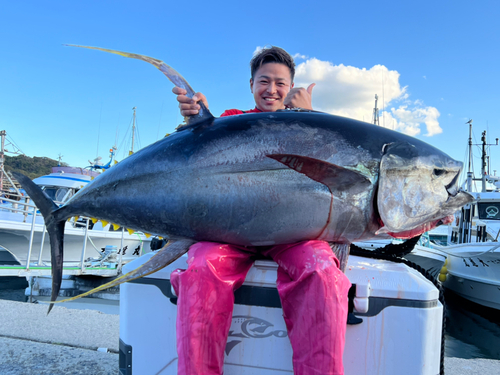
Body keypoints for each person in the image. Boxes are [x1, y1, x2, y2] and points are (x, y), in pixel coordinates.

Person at [170, 46, 351, 375]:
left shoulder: (307, 126)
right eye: (263, 81)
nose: (271, 90)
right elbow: (201, 148)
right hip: (232, 230)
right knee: (201, 266)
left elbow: (332, 164)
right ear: (251, 84)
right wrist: (195, 115)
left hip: (293, 234)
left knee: (323, 270)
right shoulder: (232, 121)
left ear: (292, 88)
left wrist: (308, 116)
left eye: (281, 83)